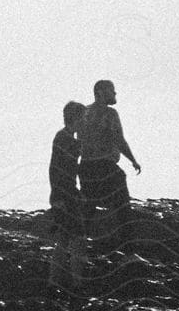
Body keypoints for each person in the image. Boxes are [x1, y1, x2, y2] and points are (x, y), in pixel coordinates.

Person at [78, 79, 142, 254]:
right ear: (100, 92)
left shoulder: (83, 112)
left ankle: (79, 246)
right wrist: (133, 160)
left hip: (85, 166)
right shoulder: (110, 113)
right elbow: (119, 139)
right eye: (111, 91)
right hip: (104, 165)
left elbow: (78, 140)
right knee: (122, 204)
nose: (115, 94)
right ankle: (128, 249)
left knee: (88, 206)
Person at [48, 101, 86, 289]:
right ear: (76, 118)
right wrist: (61, 198)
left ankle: (55, 282)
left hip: (65, 193)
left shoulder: (64, 137)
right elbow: (57, 170)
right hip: (65, 195)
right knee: (78, 239)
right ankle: (76, 284)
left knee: (63, 238)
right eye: (83, 118)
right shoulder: (67, 139)